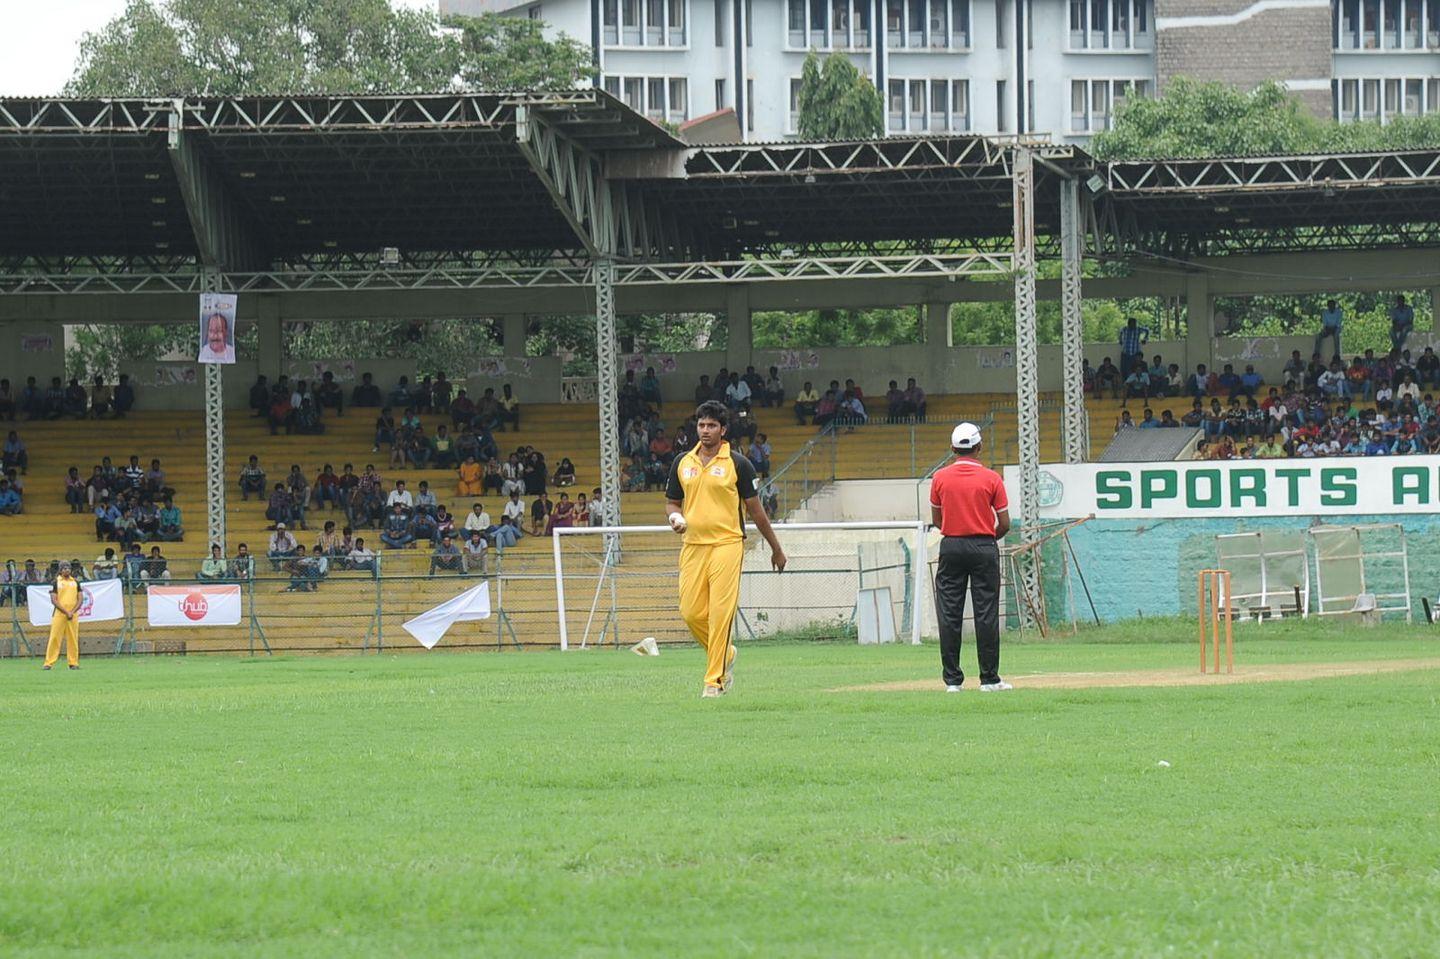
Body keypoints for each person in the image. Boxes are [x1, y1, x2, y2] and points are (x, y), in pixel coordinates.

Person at [664, 401, 786, 698]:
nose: (705, 431)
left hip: (727, 544)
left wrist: (776, 548)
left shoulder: (738, 464)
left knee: (720, 614)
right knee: (691, 612)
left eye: (711, 426)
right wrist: (675, 518)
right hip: (692, 545)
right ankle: (726, 655)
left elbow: (756, 511)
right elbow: (672, 502)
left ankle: (714, 682)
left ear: (723, 430)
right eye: (701, 425)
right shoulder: (682, 461)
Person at [929, 421, 1012, 693]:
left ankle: (952, 681)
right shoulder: (991, 478)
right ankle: (989, 679)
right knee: (985, 613)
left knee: (949, 613)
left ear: (953, 448)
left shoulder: (940, 478)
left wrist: (956, 530)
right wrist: (987, 538)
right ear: (979, 446)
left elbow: (937, 519)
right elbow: (1005, 522)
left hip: (951, 546)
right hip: (984, 547)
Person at [43, 563, 82, 670]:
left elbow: (80, 599)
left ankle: (73, 663)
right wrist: (66, 612)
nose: (67, 570)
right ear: (60, 570)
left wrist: (72, 612)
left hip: (73, 615)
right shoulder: (55, 582)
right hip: (59, 614)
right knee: (55, 637)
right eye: (64, 568)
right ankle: (48, 663)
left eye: (69, 568)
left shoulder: (75, 582)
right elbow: (54, 600)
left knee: (73, 638)